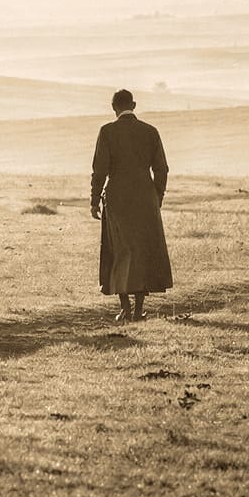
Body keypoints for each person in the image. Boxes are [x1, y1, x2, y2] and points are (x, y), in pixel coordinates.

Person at [91, 89, 172, 322]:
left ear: (113, 107)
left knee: (120, 251)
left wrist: (94, 200)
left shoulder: (107, 132)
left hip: (117, 198)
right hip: (145, 199)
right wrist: (157, 196)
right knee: (143, 252)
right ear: (134, 105)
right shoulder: (150, 132)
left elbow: (100, 170)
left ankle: (125, 308)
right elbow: (162, 169)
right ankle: (139, 310)